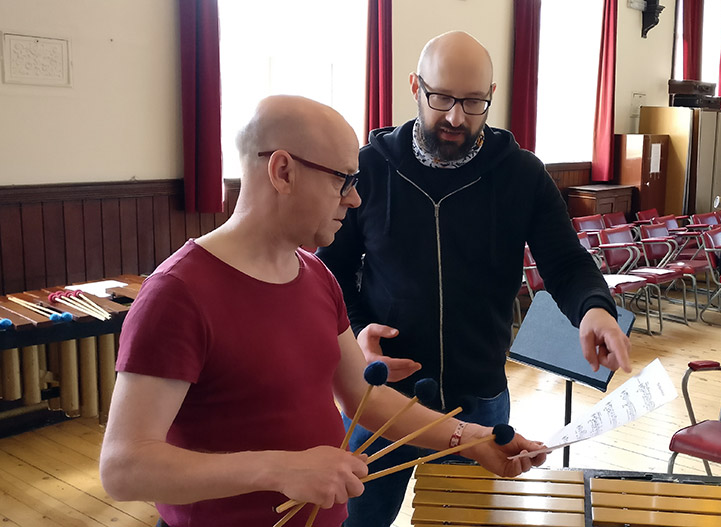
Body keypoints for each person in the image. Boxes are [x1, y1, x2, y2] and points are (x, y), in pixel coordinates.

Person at [99, 95, 547, 527]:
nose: (354, 200)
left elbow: (363, 398)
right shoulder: (177, 294)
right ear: (283, 171)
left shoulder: (315, 275)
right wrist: (280, 470)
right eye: (344, 180)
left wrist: (471, 438)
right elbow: (124, 467)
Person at [316, 31, 633, 527]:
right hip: (381, 400)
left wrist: (595, 308)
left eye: (473, 102)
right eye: (442, 98)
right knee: (356, 522)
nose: (456, 117)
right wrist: (357, 331)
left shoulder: (521, 174)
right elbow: (329, 271)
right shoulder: (371, 167)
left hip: (479, 397)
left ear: (491, 97)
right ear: (415, 87)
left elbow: (567, 263)